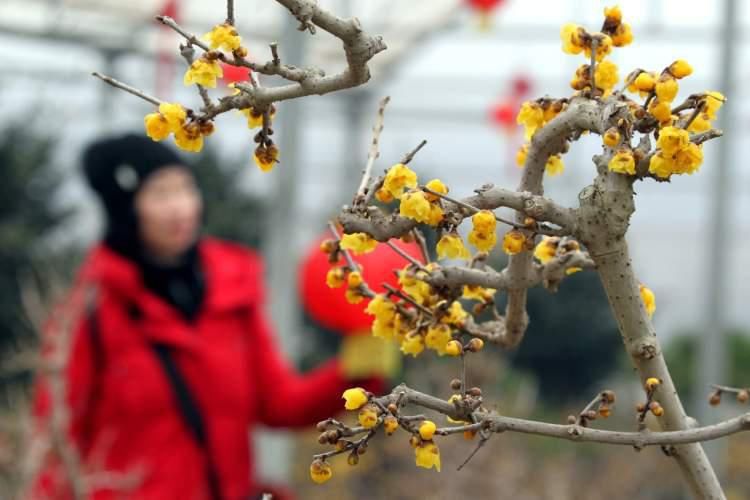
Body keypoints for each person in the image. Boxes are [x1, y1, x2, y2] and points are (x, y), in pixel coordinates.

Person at [31, 133, 383, 500]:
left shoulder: (230, 294)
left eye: (185, 189)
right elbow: (55, 446)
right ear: (125, 209)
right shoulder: (88, 315)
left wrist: (359, 368)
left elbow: (280, 403)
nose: (181, 208)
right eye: (161, 195)